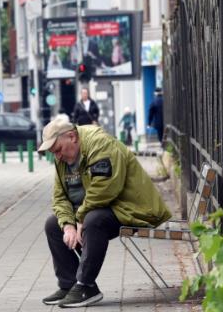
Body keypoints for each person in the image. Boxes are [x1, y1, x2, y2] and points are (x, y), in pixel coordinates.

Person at [39, 115, 171, 308]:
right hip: (100, 208)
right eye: (53, 152)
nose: (57, 156)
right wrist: (68, 225)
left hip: (132, 208)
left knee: (93, 221)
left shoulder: (100, 144)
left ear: (72, 137)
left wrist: (80, 219)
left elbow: (105, 188)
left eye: (57, 150)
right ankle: (68, 285)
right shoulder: (63, 158)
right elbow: (59, 197)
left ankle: (86, 285)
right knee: (53, 224)